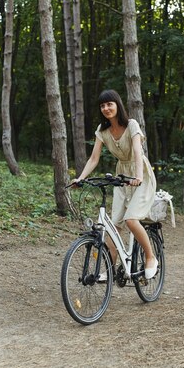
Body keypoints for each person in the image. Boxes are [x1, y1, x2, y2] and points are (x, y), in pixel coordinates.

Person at [73, 89, 158, 279]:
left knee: (131, 219)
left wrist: (138, 176)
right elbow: (94, 158)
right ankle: (110, 270)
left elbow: (137, 152)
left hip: (141, 174)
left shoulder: (132, 125)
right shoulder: (102, 131)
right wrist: (80, 178)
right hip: (121, 178)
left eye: (109, 104)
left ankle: (151, 257)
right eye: (102, 105)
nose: (106, 108)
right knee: (113, 225)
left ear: (117, 105)